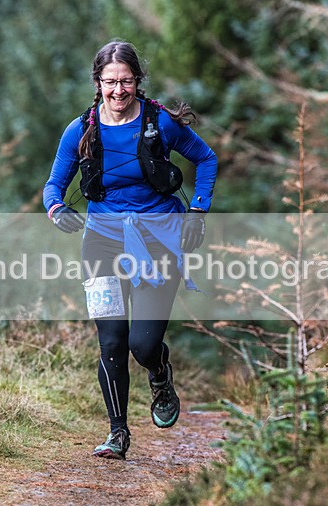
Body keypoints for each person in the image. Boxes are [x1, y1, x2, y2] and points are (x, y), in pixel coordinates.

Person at [42, 39, 217, 460]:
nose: (118, 90)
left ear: (137, 81)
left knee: (142, 344)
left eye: (126, 81)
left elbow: (206, 158)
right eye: (110, 82)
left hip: (159, 238)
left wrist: (197, 210)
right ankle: (117, 432)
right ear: (97, 83)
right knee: (111, 341)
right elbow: (53, 185)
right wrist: (56, 209)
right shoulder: (80, 130)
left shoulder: (160, 123)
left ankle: (159, 373)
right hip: (102, 241)